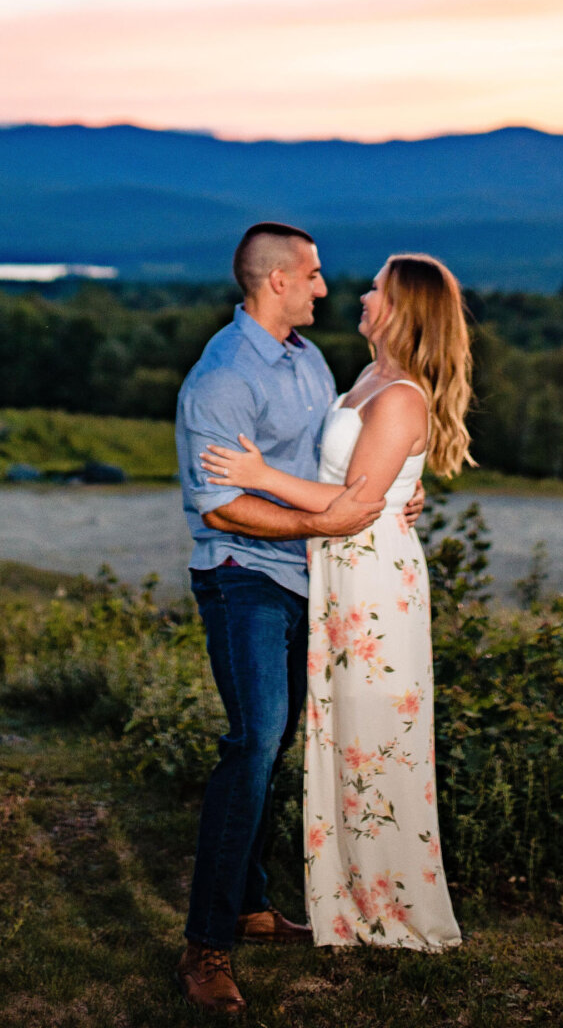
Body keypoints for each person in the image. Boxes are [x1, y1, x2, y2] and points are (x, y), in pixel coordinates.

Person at [174, 223, 427, 1015]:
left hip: (311, 582)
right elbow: (225, 508)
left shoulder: (310, 360)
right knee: (250, 744)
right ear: (277, 281)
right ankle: (205, 946)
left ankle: (249, 905)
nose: (326, 288)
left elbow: (345, 466)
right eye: (313, 276)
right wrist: (333, 523)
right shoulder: (219, 379)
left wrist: (391, 496)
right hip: (244, 578)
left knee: (275, 742)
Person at [201, 253, 472, 952]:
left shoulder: (401, 393)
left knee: (377, 741)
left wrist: (259, 476)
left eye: (376, 289)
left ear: (403, 308)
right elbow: (363, 482)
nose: (360, 293)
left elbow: (357, 500)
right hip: (337, 573)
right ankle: (352, 900)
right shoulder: (363, 376)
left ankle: (392, 910)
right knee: (344, 740)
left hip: (372, 587)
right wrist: (395, 492)